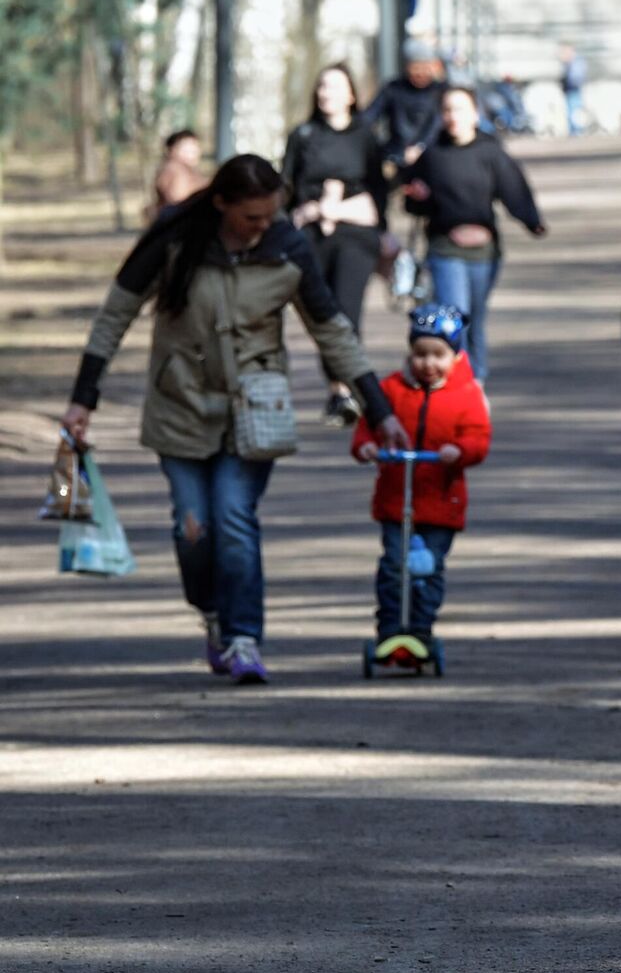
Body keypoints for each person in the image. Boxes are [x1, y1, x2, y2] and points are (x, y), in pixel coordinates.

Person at [61, 155, 408, 684]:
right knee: (192, 528)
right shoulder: (176, 240)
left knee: (234, 517)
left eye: (270, 215)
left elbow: (332, 331)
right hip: (180, 405)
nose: (262, 226)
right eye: (251, 217)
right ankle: (214, 615)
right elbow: (115, 315)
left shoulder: (286, 248)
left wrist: (378, 409)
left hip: (254, 410)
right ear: (221, 203)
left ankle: (245, 638)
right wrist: (84, 397)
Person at [352, 304, 491, 657]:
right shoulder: (392, 390)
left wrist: (458, 451)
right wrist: (367, 446)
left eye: (438, 355)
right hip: (397, 499)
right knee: (393, 568)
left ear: (456, 355)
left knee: (427, 571)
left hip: (441, 502)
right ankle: (389, 630)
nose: (428, 364)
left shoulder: (466, 394)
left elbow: (478, 437)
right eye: (420, 354)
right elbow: (369, 424)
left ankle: (420, 629)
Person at [400, 85, 547, 384]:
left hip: (485, 252)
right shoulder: (432, 155)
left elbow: (513, 190)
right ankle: (459, 382)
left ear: (475, 114)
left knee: (475, 320)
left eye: (460, 109)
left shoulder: (490, 151)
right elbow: (413, 202)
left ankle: (476, 381)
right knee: (456, 316)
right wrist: (416, 195)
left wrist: (532, 221)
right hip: (445, 248)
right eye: (448, 110)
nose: (454, 117)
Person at [284, 63, 388, 429]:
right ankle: (336, 388)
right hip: (311, 235)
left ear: (352, 95)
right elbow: (286, 185)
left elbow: (379, 188)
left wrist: (384, 234)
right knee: (321, 314)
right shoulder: (303, 134)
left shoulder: (366, 136)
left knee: (345, 313)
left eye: (336, 87)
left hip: (355, 235)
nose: (327, 93)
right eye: (322, 86)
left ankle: (348, 388)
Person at [366, 39, 448, 169]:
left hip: (434, 158)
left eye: (425, 67)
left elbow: (438, 122)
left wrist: (420, 146)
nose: (420, 73)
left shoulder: (442, 91)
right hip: (397, 156)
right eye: (416, 67)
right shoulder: (393, 89)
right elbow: (369, 117)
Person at [148, 129, 205, 221]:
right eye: (187, 148)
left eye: (195, 146)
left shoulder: (188, 170)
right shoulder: (175, 170)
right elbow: (178, 202)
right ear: (172, 150)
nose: (193, 152)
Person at [560, 43, 589, 136]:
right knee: (572, 111)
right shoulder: (572, 62)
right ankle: (574, 130)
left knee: (575, 112)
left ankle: (577, 130)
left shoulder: (576, 62)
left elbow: (575, 78)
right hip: (570, 90)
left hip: (574, 89)